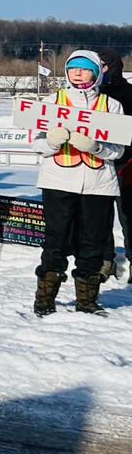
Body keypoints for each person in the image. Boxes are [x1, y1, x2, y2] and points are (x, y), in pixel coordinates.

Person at [31, 51, 126, 316]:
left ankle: (87, 301)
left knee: (93, 243)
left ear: (97, 73)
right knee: (55, 242)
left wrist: (96, 147)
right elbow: (36, 144)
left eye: (84, 69)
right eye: (73, 68)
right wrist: (51, 141)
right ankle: (45, 300)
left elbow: (118, 150)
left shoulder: (111, 106)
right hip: (58, 182)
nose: (77, 73)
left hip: (99, 185)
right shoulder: (53, 102)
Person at [97, 49, 132, 282]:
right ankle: (105, 260)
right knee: (99, 216)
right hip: (97, 163)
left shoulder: (129, 93)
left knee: (128, 215)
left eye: (103, 67)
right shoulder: (93, 94)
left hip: (126, 164)